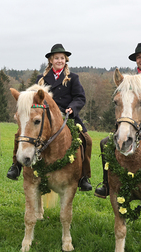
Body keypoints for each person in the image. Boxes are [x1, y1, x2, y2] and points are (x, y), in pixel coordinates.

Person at [7, 43, 92, 191]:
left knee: (87, 139)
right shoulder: (41, 78)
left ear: (66, 60)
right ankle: (16, 166)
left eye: (62, 58)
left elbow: (80, 97)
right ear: (51, 61)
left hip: (67, 116)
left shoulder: (73, 78)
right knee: (20, 134)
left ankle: (84, 176)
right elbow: (32, 98)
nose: (59, 61)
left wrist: (73, 107)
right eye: (56, 58)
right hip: (44, 117)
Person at [94, 43, 141, 198]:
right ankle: (106, 184)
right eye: (138, 57)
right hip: (133, 123)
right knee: (105, 143)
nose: (140, 60)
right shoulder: (131, 81)